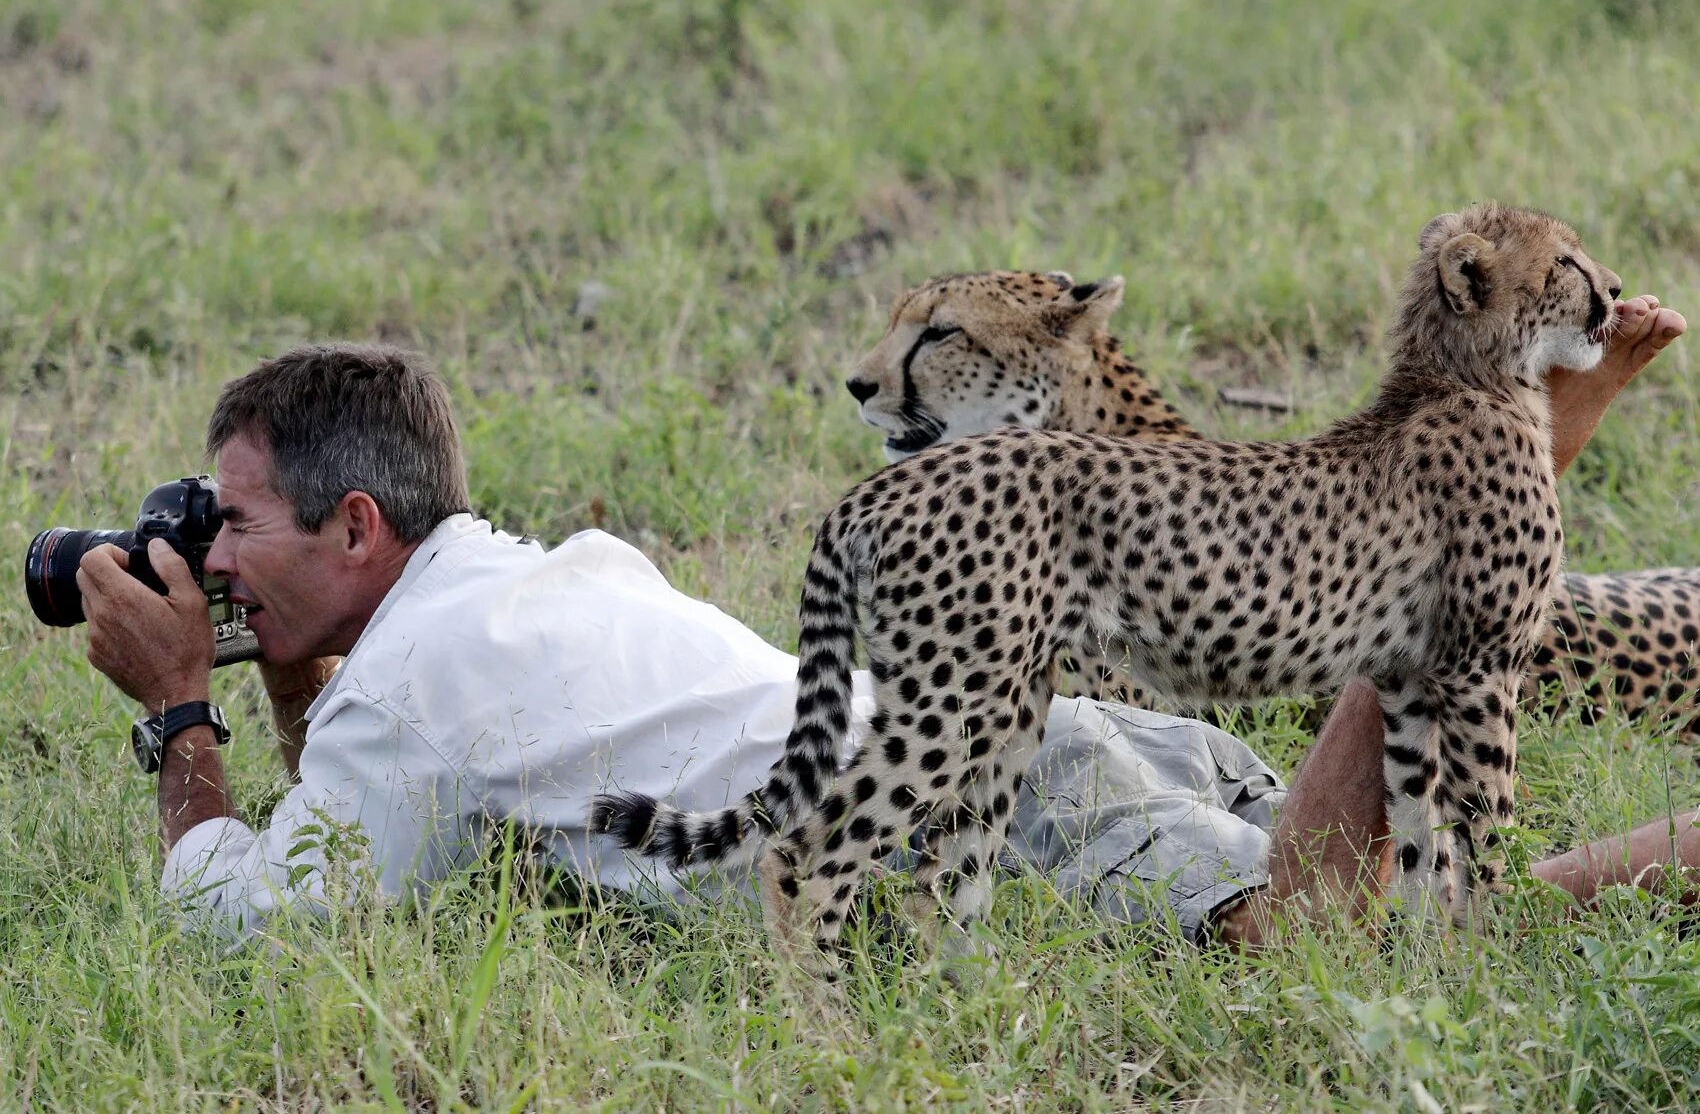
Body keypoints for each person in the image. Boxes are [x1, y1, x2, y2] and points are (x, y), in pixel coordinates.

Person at [75, 298, 1688, 947]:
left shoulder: (414, 685)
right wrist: (288, 654)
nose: (207, 557)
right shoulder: (516, 577)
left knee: (1296, 939)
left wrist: (175, 719)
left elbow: (257, 928)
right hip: (1022, 748)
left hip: (961, 812)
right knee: (1468, 924)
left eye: (234, 525)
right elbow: (364, 787)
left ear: (361, 528)